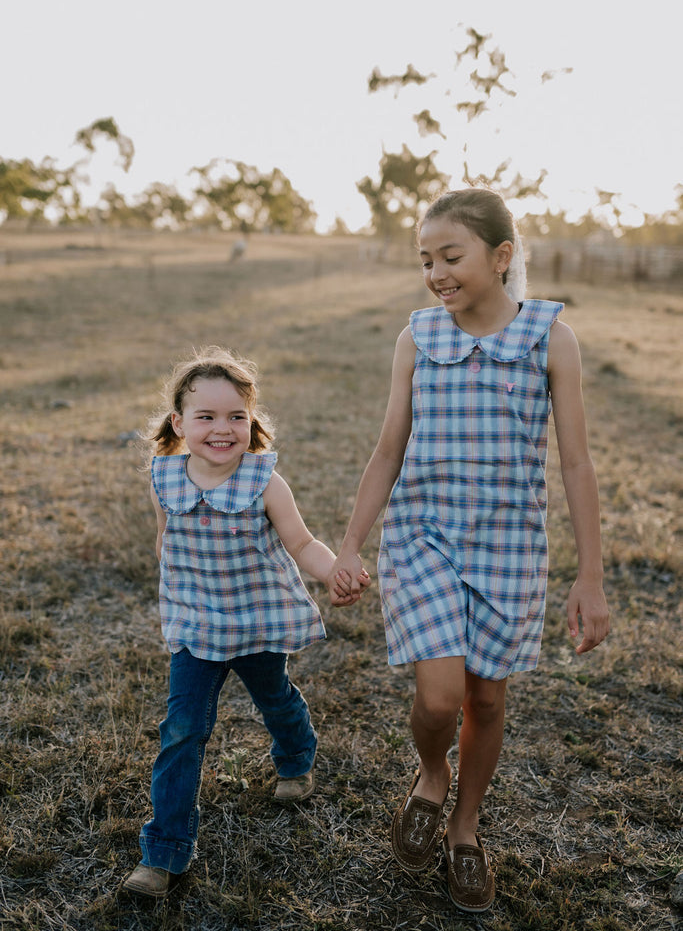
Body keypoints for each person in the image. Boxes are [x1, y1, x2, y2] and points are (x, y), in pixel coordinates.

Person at [327, 188, 609, 913]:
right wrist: (351, 543)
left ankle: (464, 825)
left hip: (510, 547)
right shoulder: (418, 337)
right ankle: (429, 772)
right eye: (425, 260)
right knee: (439, 695)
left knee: (486, 695)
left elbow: (575, 463)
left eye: (450, 256)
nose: (435, 272)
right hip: (422, 537)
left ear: (501, 256)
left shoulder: (549, 337)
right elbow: (389, 448)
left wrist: (591, 575)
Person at [123, 346, 367, 899]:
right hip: (197, 629)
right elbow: (166, 539)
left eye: (236, 416)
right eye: (205, 417)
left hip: (256, 620)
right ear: (179, 423)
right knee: (182, 731)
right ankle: (162, 855)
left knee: (274, 696)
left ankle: (296, 758)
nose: (222, 428)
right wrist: (181, 576)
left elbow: (301, 542)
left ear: (251, 422)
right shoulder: (164, 477)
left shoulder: (264, 481)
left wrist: (333, 573)